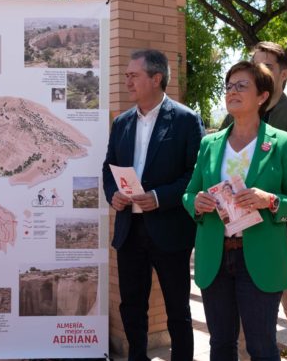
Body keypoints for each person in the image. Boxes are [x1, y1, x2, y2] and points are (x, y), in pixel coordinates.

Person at [184, 60, 287, 360]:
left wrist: (270, 200)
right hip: (216, 256)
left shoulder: (281, 143)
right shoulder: (210, 144)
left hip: (260, 257)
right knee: (221, 344)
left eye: (242, 86)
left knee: (261, 346)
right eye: (229, 86)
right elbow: (189, 193)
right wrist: (197, 204)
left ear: (262, 96)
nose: (232, 92)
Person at [102, 49, 204, 361]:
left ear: (156, 78)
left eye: (133, 75)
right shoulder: (121, 123)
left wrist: (159, 197)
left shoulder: (186, 120)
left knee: (177, 307)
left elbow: (196, 174)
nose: (127, 80)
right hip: (129, 229)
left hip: (170, 228)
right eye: (127, 75)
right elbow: (109, 168)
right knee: (131, 305)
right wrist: (113, 195)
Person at [221, 41, 287, 361]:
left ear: (284, 74)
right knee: (244, 325)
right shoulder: (229, 120)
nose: (259, 70)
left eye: (268, 67)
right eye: (254, 65)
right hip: (237, 235)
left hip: (284, 231)